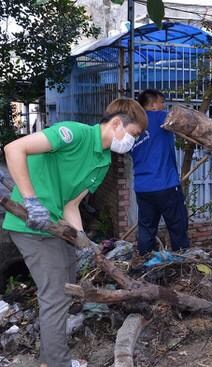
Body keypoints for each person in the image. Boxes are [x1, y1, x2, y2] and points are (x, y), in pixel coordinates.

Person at [2, 98, 147, 367]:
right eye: (133, 134)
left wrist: (83, 240)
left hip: (55, 228)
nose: (132, 141)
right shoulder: (74, 134)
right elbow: (13, 148)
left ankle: (49, 359)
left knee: (68, 283)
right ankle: (57, 363)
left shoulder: (103, 161)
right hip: (29, 225)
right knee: (55, 294)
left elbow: (71, 204)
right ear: (116, 124)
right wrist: (31, 200)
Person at [131, 89, 190, 255]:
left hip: (143, 189)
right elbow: (187, 123)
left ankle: (145, 265)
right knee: (178, 226)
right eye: (161, 102)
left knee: (146, 230)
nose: (164, 106)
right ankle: (182, 264)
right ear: (153, 105)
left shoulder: (132, 127)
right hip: (166, 186)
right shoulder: (160, 117)